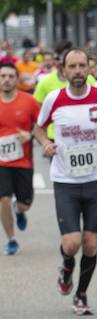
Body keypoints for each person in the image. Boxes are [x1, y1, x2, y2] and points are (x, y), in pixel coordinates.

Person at [33, 49, 97, 315]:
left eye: (81, 66)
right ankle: (66, 267)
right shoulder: (54, 99)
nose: (77, 71)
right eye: (71, 66)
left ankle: (81, 294)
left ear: (89, 68)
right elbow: (38, 128)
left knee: (91, 244)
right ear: (63, 71)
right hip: (65, 180)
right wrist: (46, 143)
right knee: (72, 244)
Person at [0, 61, 40, 255]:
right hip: (1, 162)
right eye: (3, 76)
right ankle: (11, 239)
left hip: (23, 161)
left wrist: (30, 135)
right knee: (3, 199)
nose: (6, 80)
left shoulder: (29, 101)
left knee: (25, 203)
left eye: (10, 76)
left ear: (17, 79)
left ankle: (19, 209)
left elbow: (40, 125)